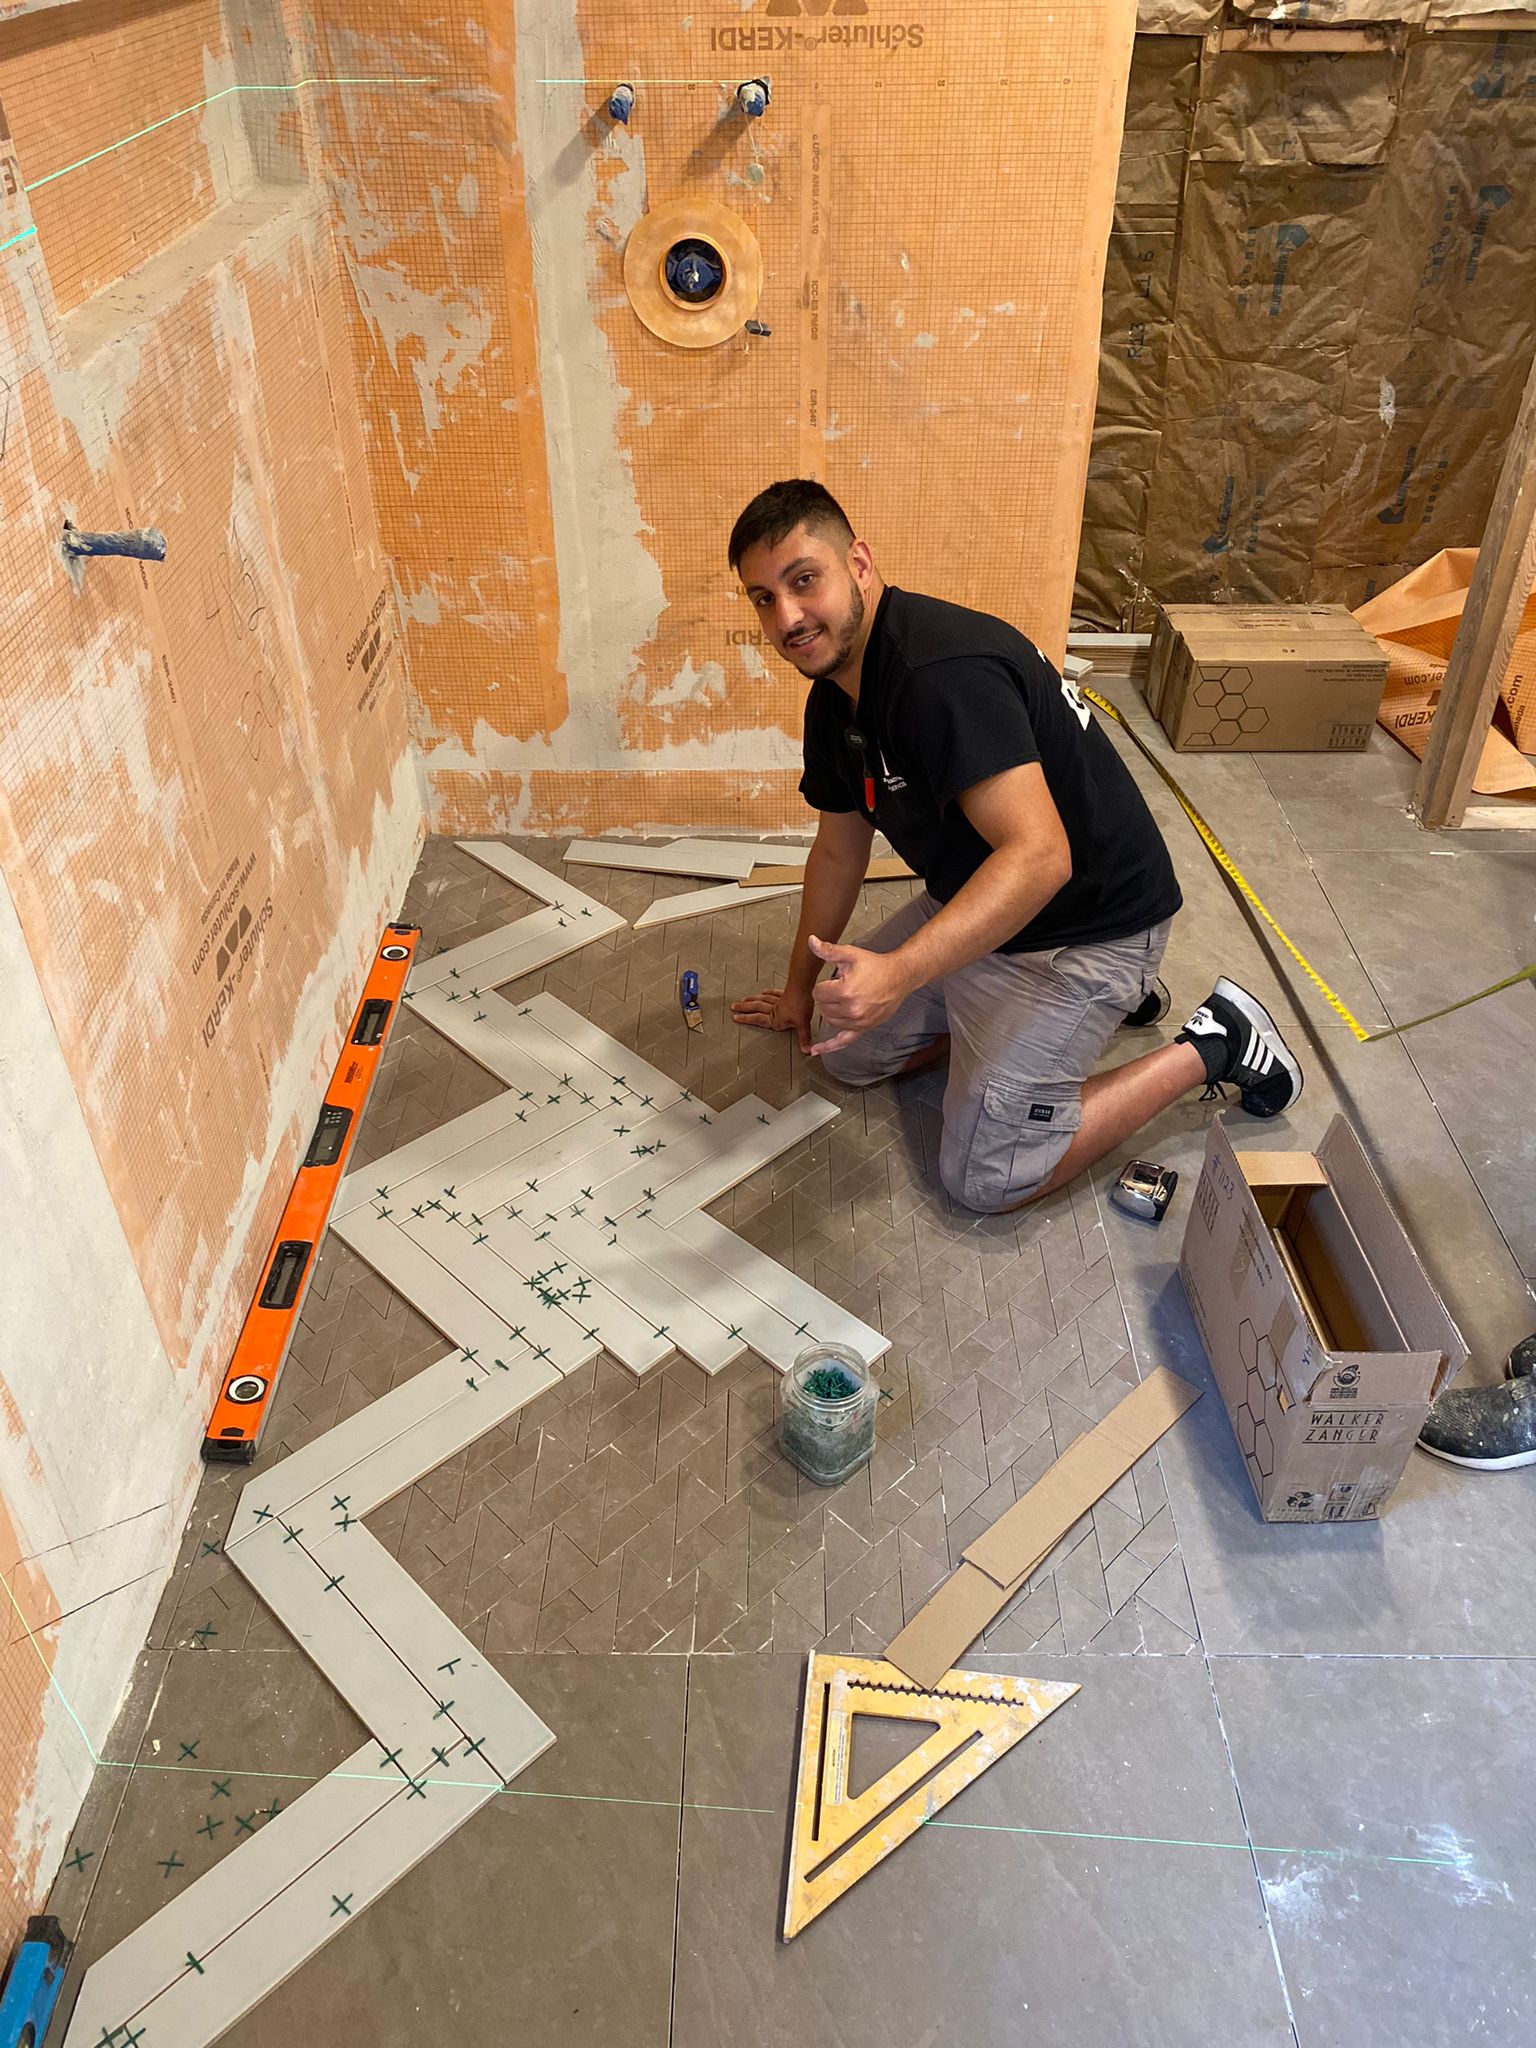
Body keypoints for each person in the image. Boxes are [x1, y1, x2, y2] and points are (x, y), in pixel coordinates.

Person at [727, 478, 1303, 1214]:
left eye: (804, 580)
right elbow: (839, 853)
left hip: (1087, 925)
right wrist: (800, 991)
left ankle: (1218, 1042)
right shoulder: (834, 701)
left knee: (987, 1179)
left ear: (859, 565)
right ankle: (1061, 1030)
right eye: (764, 598)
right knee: (844, 1046)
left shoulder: (941, 675)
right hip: (984, 901)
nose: (788, 617)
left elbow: (1040, 858)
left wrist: (902, 971)